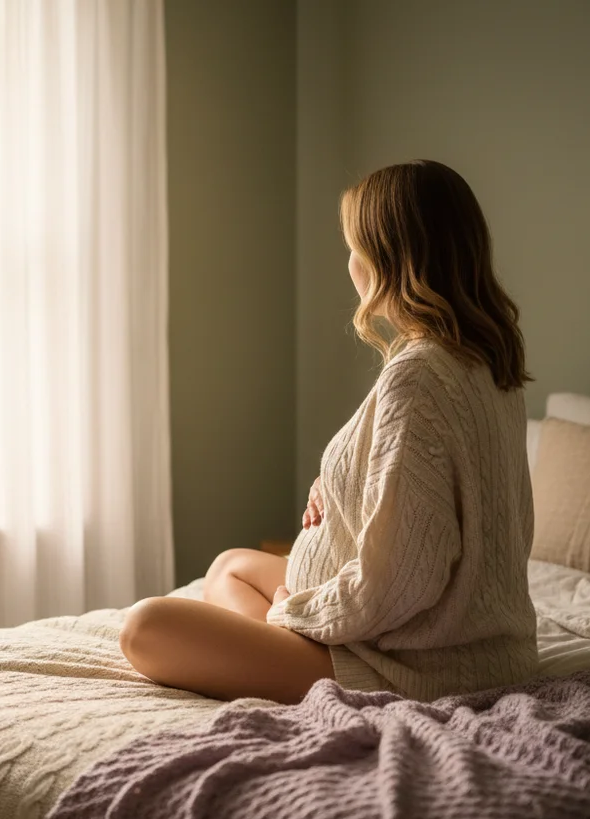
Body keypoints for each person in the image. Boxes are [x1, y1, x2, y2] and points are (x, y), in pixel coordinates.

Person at [119, 160, 537, 704]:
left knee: (144, 628)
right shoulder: (487, 365)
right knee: (230, 566)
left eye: (354, 246)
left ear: (389, 257)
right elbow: (445, 498)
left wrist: (292, 610)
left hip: (413, 662)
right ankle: (273, 646)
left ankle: (278, 647)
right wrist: (339, 486)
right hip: (456, 640)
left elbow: (398, 584)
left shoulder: (418, 376)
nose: (350, 263)